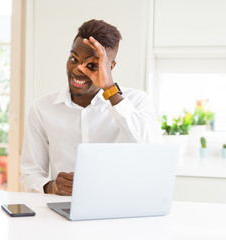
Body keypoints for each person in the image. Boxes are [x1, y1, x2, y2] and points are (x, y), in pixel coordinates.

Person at [19, 19, 162, 196]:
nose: (78, 70)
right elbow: (29, 175)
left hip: (120, 207)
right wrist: (51, 186)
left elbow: (152, 152)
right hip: (62, 210)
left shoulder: (136, 101)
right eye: (74, 58)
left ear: (110, 67)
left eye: (92, 65)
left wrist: (110, 90)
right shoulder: (42, 109)